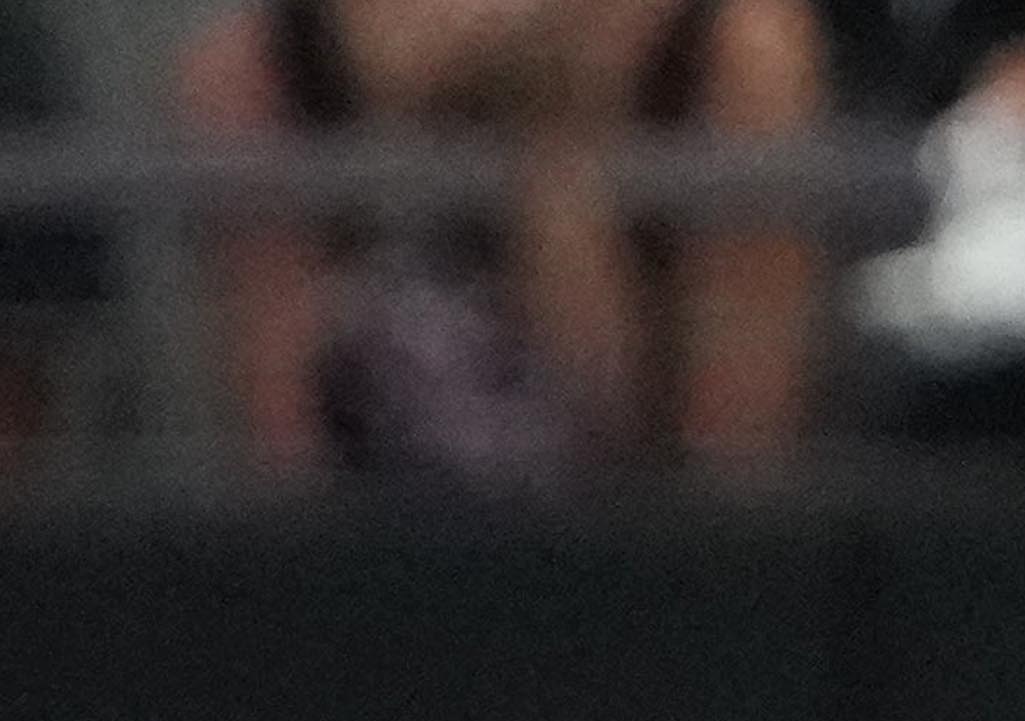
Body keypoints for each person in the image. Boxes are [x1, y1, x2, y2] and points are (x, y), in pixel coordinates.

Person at [180, 0, 826, 479]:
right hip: (365, 604)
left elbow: (736, 469)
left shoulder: (736, 46)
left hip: (653, 601)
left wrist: (555, 169)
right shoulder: (257, 61)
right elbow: (287, 460)